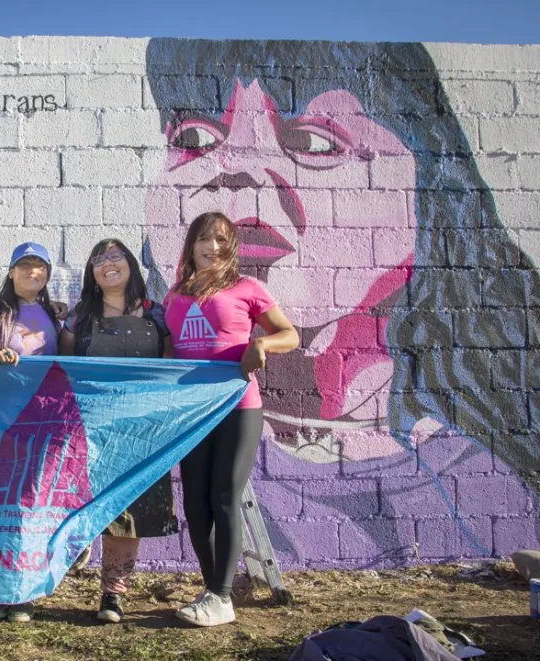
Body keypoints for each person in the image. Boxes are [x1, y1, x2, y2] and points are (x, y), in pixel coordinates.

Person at [143, 39, 540, 562]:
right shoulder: (159, 451)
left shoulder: (484, 478)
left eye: (315, 143)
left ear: (428, 188)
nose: (240, 170)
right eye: (194, 137)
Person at [165, 212, 299, 627]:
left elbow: (289, 335)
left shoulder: (247, 288)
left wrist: (261, 344)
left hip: (237, 407)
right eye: (205, 239)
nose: (213, 247)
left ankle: (222, 596)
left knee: (224, 495)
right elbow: (169, 351)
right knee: (195, 503)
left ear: (232, 246)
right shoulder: (175, 295)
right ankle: (213, 592)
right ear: (192, 245)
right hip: (192, 409)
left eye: (222, 240)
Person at [58, 239, 176, 624]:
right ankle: (77, 542)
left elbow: (171, 367)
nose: (108, 264)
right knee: (83, 501)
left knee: (130, 513)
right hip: (93, 429)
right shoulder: (78, 318)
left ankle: (113, 595)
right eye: (98, 259)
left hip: (142, 429)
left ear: (130, 265)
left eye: (116, 256)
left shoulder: (157, 316)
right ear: (91, 273)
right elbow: (62, 368)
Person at [0, 241, 62, 623]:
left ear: (47, 275)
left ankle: (19, 592)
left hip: (39, 425)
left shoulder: (56, 316)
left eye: (40, 266)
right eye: (25, 265)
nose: (32, 272)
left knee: (30, 510)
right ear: (10, 271)